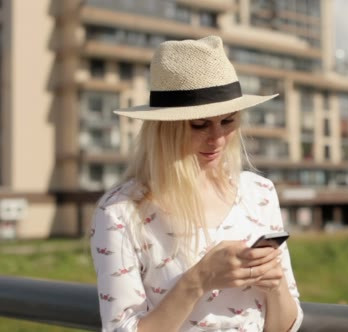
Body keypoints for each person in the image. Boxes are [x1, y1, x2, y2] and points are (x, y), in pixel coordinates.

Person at [90, 36, 303, 332]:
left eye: (228, 121)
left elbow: (285, 327)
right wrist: (199, 279)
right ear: (164, 128)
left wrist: (274, 284)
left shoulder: (260, 194)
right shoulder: (121, 211)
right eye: (199, 124)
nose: (217, 138)